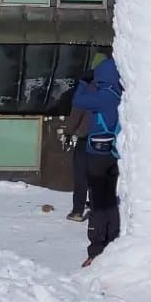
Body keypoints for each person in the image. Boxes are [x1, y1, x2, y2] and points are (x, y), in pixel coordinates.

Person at [78, 54, 122, 266]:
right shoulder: (119, 95)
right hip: (113, 154)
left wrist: (83, 82)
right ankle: (113, 239)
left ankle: (96, 248)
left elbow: (78, 101)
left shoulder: (102, 96)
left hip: (96, 154)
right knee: (111, 199)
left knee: (97, 201)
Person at [62, 73, 96, 223]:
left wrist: (68, 132)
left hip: (86, 138)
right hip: (107, 139)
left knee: (81, 175)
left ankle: (77, 211)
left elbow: (76, 113)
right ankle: (97, 207)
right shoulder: (115, 88)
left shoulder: (88, 90)